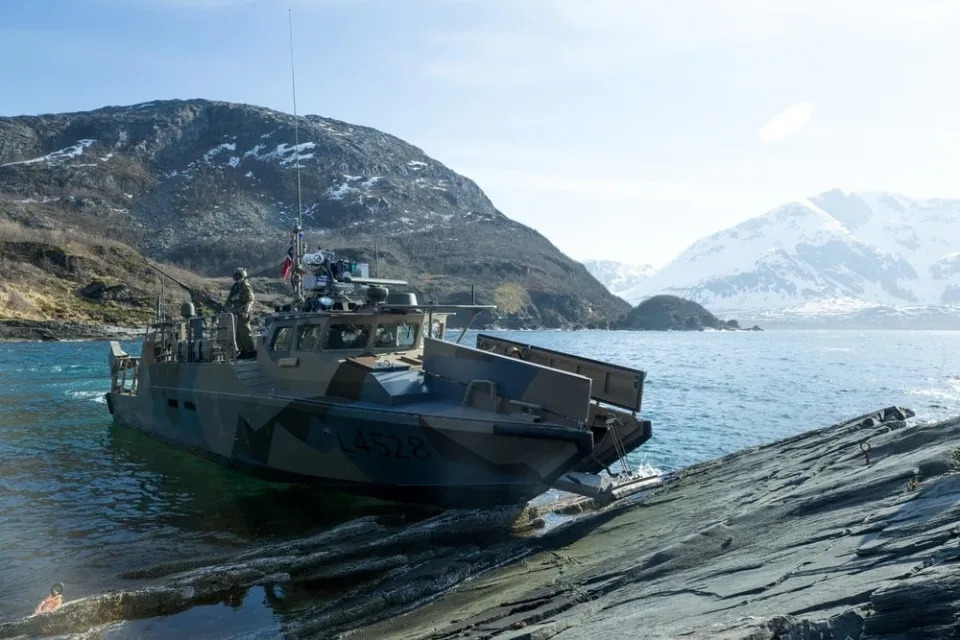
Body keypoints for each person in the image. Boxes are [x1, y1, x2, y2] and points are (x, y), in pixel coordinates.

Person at [226, 267, 256, 358]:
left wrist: (246, 312)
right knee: (237, 333)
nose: (236, 277)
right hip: (235, 314)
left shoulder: (245, 285)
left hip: (243, 313)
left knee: (245, 332)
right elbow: (229, 300)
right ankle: (242, 350)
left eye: (238, 275)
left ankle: (250, 351)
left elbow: (249, 300)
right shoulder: (235, 287)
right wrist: (226, 306)